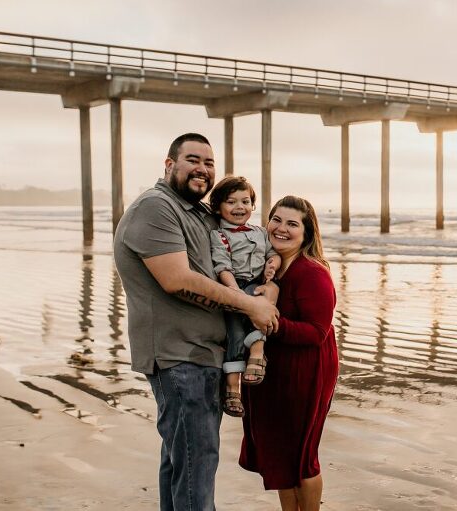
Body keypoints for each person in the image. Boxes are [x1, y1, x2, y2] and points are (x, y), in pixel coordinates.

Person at [113, 133, 279, 511]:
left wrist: (270, 282)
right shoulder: (156, 207)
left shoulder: (196, 211)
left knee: (181, 462)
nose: (202, 169)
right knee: (196, 466)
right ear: (169, 164)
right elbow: (177, 280)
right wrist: (250, 307)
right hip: (179, 354)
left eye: (209, 162)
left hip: (203, 353)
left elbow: (239, 250)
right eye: (192, 160)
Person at [239, 195, 339, 511]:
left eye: (292, 224)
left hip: (306, 372)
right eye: (277, 220)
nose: (281, 229)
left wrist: (272, 323)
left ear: (307, 233)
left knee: (302, 456)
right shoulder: (268, 267)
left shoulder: (312, 272)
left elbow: (317, 331)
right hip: (273, 370)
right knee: (279, 454)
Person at [208, 176, 281, 417]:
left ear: (253, 205)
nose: (240, 207)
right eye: (231, 202)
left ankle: (258, 354)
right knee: (235, 335)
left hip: (256, 284)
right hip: (234, 287)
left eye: (245, 201)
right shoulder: (218, 236)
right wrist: (236, 295)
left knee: (258, 312)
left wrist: (272, 264)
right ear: (218, 207)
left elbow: (273, 254)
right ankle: (232, 388)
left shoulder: (260, 232)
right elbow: (222, 267)